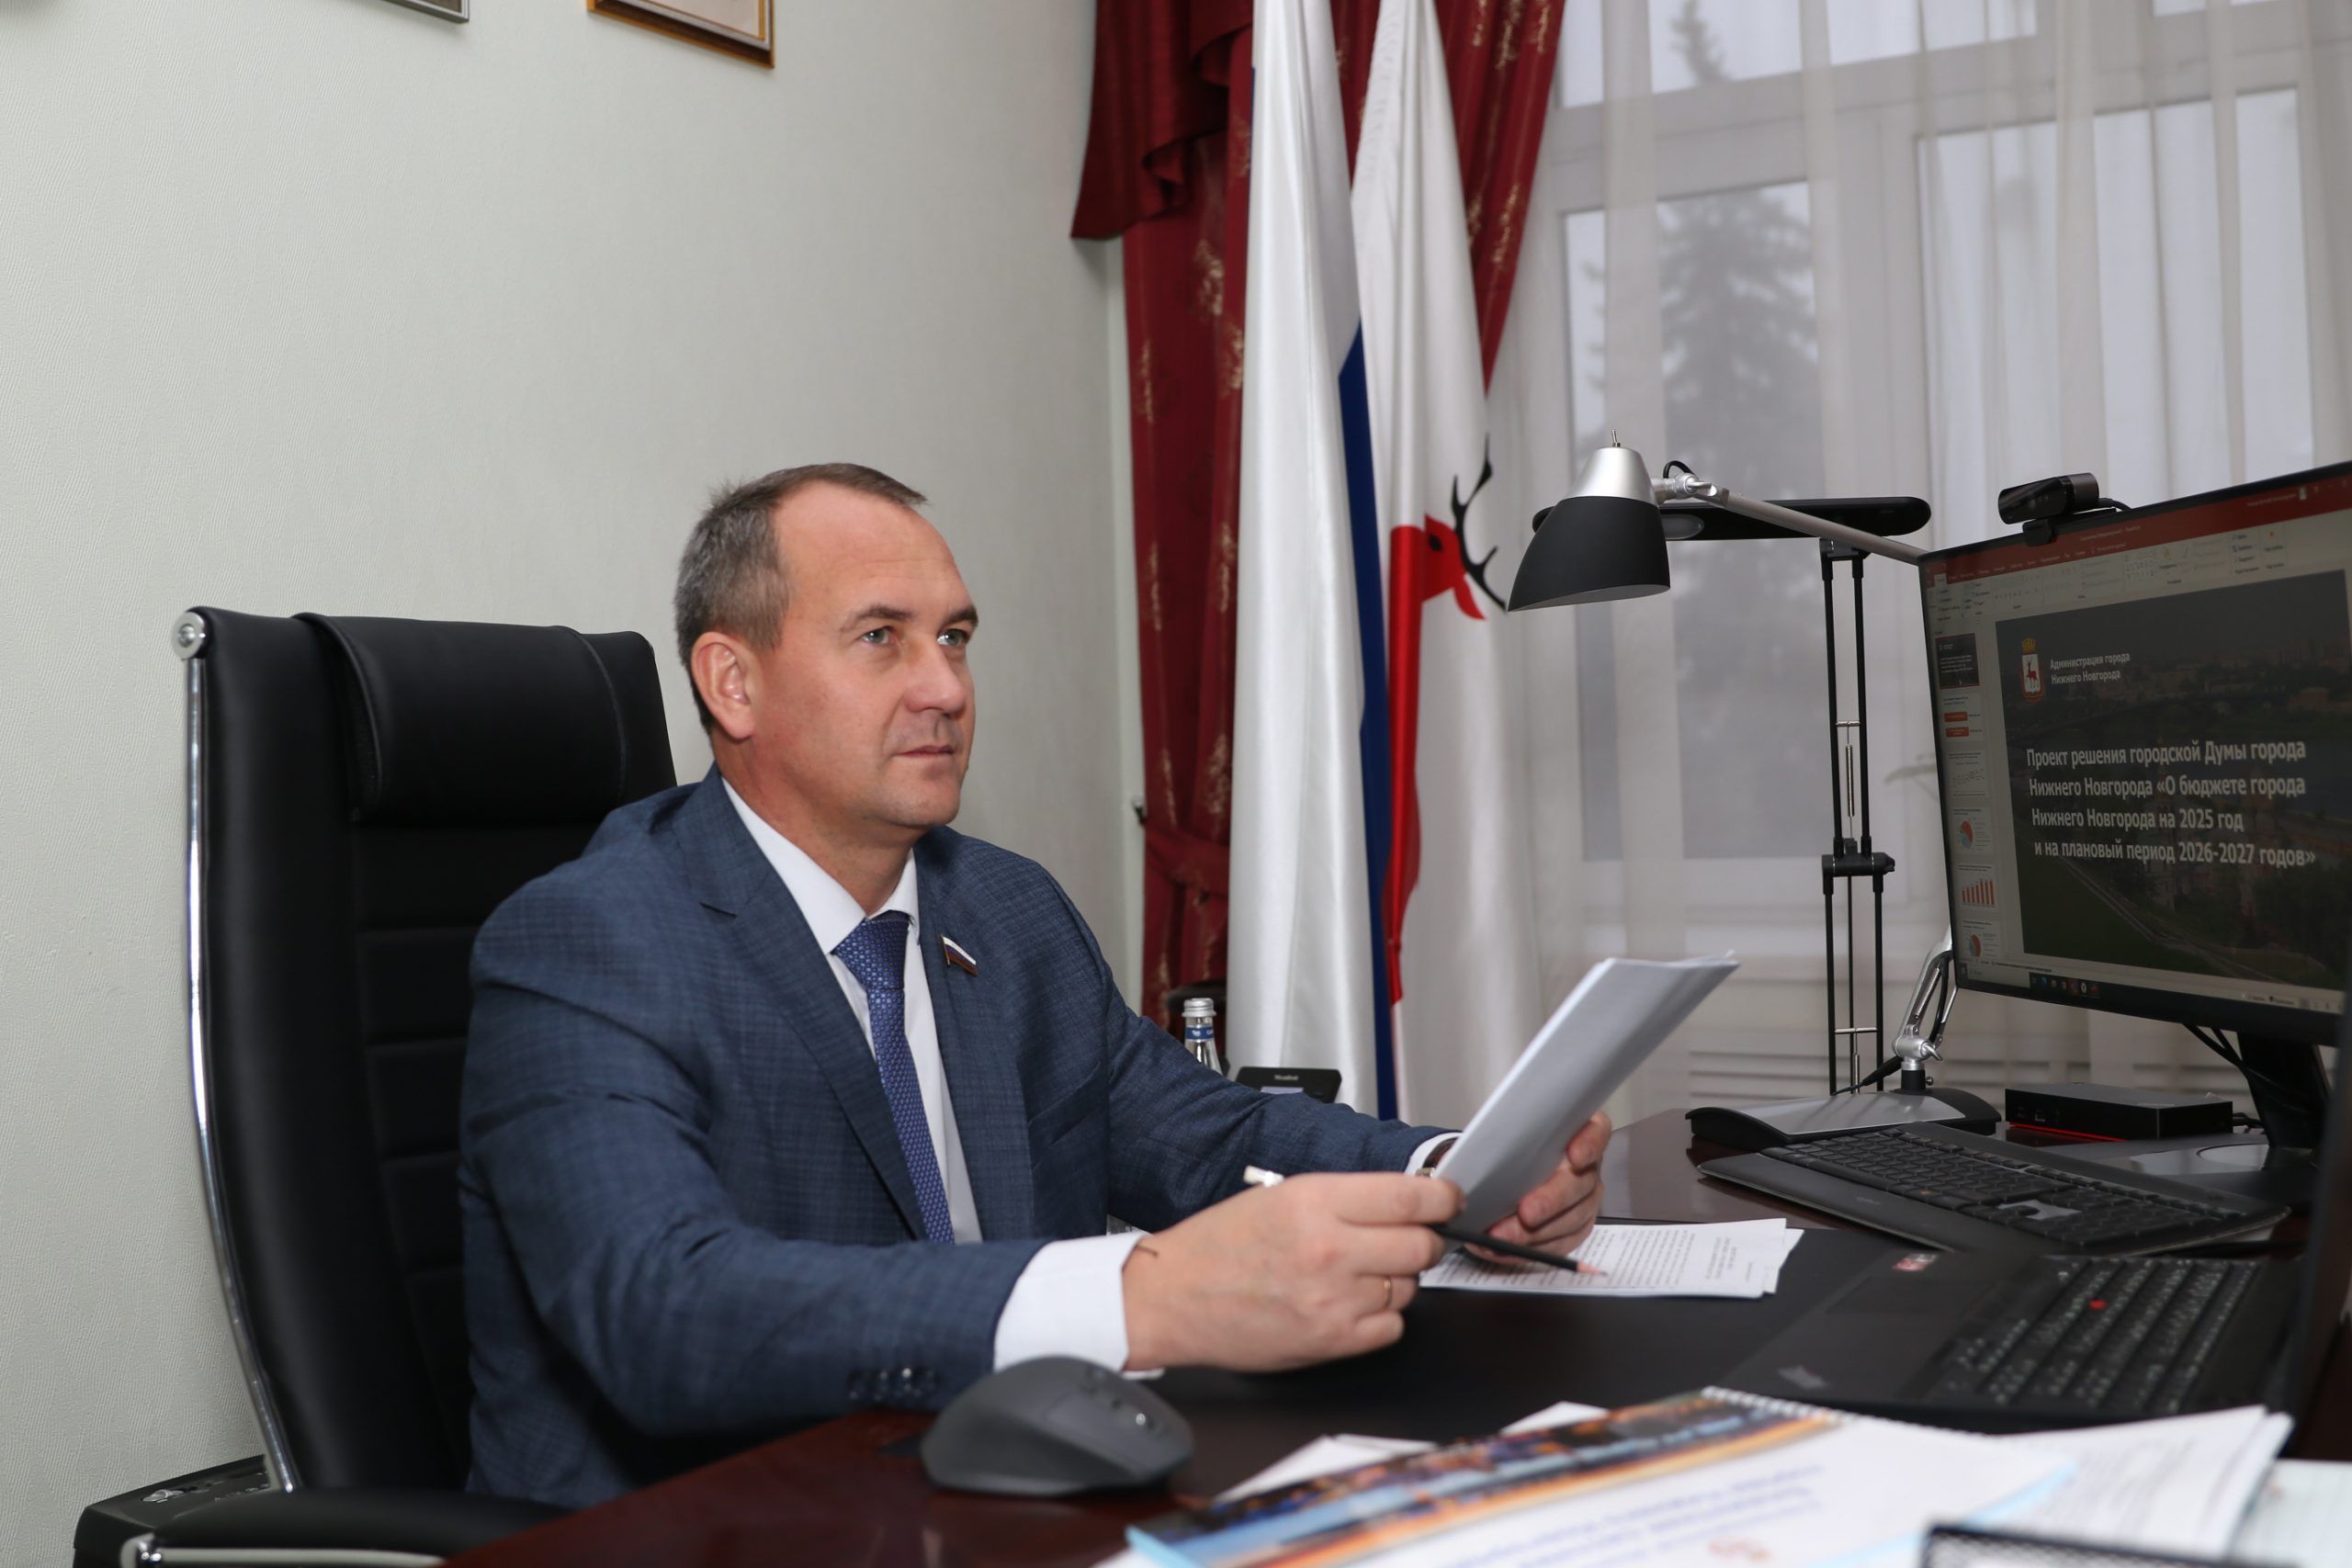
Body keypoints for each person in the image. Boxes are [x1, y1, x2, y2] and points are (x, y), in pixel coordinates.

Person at [459, 463, 1611, 1507]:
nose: (945, 688)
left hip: (999, 1489)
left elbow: (1205, 1136)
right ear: (733, 682)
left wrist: (1453, 1176)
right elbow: (664, 1312)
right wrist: (1139, 1300)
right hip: (706, 1526)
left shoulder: (1004, 909)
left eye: (955, 638)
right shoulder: (591, 940)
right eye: (881, 638)